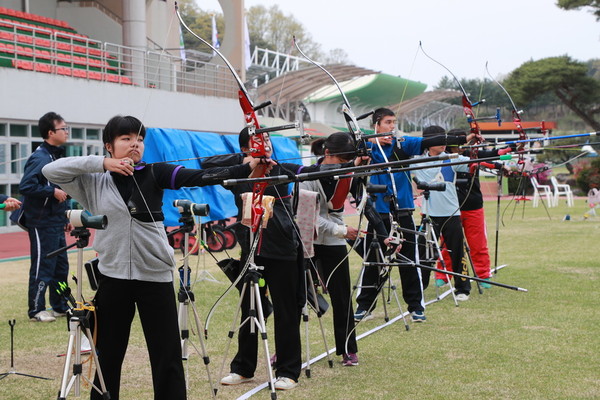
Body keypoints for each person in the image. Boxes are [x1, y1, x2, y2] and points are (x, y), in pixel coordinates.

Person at [42, 115, 261, 400]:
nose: (135, 144)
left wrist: (248, 166)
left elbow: (197, 176)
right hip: (113, 277)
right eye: (126, 138)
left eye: (140, 139)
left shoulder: (154, 172)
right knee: (107, 354)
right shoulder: (93, 182)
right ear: (109, 145)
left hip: (154, 277)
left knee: (166, 355)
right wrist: (102, 163)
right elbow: (50, 170)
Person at [202, 128, 358, 390]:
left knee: (287, 310)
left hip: (283, 249)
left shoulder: (281, 169)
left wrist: (353, 164)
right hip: (251, 249)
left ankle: (288, 370)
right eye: (257, 146)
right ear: (245, 149)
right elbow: (206, 166)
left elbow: (313, 172)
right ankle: (243, 368)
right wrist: (246, 162)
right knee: (249, 309)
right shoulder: (238, 171)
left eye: (267, 145)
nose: (266, 150)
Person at [354, 108, 477, 322]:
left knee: (409, 260)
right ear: (376, 124)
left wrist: (460, 138)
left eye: (394, 122)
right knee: (374, 259)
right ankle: (365, 306)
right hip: (379, 212)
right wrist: (371, 143)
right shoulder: (366, 147)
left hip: (402, 209)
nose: (392, 126)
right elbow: (349, 144)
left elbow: (430, 141)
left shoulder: (403, 143)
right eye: (388, 122)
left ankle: (415, 307)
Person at [300, 132, 373, 367]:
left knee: (342, 297)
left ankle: (347, 349)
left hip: (334, 243)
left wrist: (383, 235)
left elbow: (365, 203)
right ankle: (285, 351)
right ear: (327, 153)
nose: (344, 166)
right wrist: (342, 231)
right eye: (340, 161)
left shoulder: (348, 173)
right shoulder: (308, 175)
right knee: (295, 298)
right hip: (308, 240)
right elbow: (309, 218)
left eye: (347, 162)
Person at [437, 130, 512, 288]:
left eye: (465, 144)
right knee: (447, 244)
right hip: (450, 208)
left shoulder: (473, 154)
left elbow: (492, 155)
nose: (463, 147)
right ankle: (443, 275)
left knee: (478, 244)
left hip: (473, 206)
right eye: (460, 144)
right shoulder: (442, 157)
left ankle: (483, 275)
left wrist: (512, 147)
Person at [19, 111, 71, 323]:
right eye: (63, 129)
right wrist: (51, 192)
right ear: (50, 132)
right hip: (41, 224)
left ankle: (59, 306)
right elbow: (26, 186)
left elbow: (60, 187)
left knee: (61, 269)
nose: (67, 132)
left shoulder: (55, 156)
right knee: (43, 267)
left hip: (57, 222)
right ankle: (36, 310)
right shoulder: (40, 157)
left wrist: (66, 218)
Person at [414, 125, 472, 301]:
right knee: (424, 253)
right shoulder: (417, 160)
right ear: (429, 142)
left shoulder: (452, 158)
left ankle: (462, 288)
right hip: (429, 214)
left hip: (451, 213)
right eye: (440, 140)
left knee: (457, 252)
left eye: (445, 140)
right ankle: (419, 288)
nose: (444, 144)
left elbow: (473, 162)